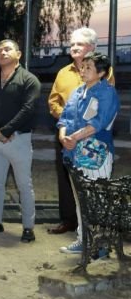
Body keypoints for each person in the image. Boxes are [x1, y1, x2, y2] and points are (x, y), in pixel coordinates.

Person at [47, 28, 115, 235]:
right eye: (72, 44)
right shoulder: (66, 76)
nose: (74, 47)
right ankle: (73, 226)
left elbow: (102, 115)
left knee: (94, 192)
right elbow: (57, 105)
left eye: (80, 44)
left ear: (92, 48)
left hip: (93, 144)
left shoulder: (105, 77)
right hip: (68, 140)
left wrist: (77, 133)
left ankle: (97, 238)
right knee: (71, 186)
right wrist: (65, 131)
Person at [0, 39, 40, 243]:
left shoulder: (29, 80)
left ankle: (28, 227)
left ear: (18, 54)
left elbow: (28, 109)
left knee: (24, 185)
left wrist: (7, 130)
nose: (2, 53)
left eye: (7, 49)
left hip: (20, 140)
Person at [57, 52, 119, 255]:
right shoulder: (78, 92)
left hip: (95, 155)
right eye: (82, 67)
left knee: (96, 199)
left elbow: (99, 122)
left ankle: (100, 245)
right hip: (73, 152)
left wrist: (74, 137)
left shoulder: (107, 92)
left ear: (101, 73)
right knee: (80, 199)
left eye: (88, 67)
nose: (82, 71)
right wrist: (63, 136)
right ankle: (83, 239)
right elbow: (65, 117)